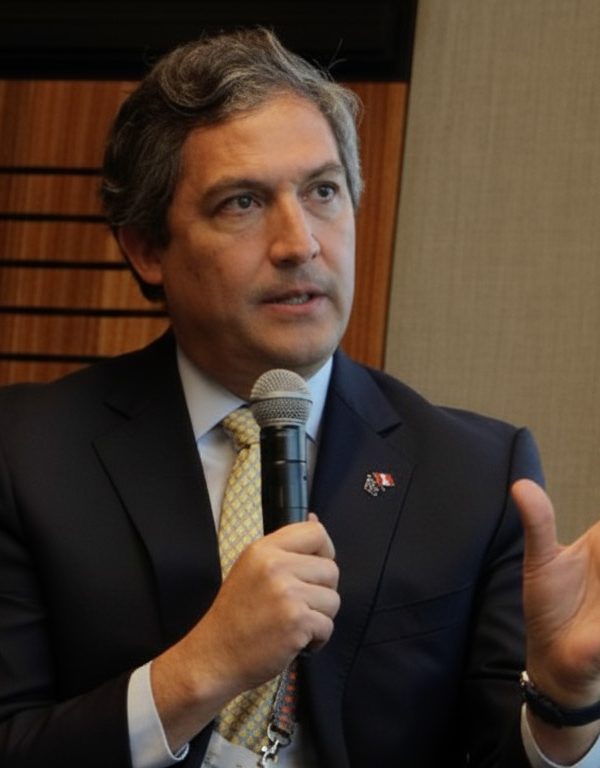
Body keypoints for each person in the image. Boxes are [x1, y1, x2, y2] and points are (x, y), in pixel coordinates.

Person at [0, 26, 600, 768]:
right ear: (147, 249)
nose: (299, 243)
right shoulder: (26, 455)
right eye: (242, 202)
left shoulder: (475, 475)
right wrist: (201, 669)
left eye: (322, 192)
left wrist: (565, 705)